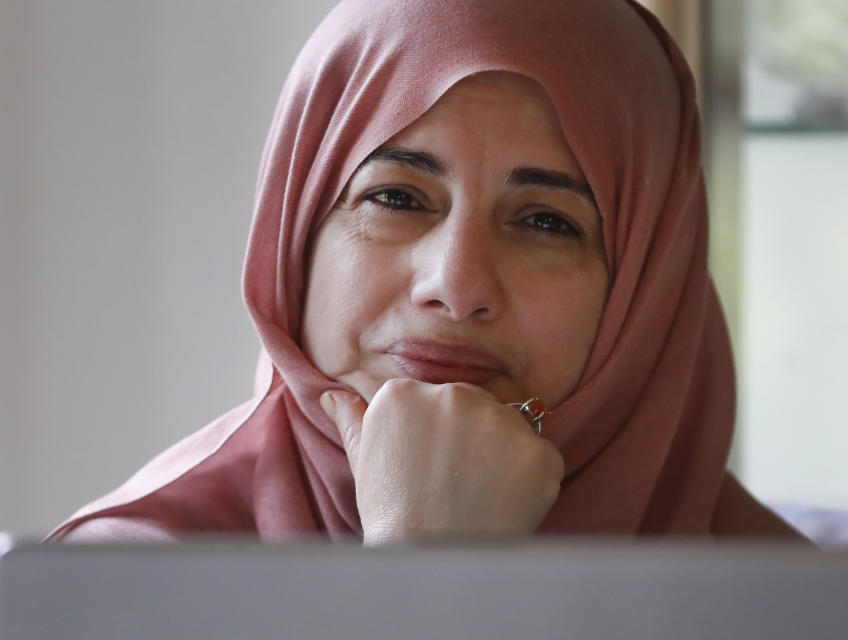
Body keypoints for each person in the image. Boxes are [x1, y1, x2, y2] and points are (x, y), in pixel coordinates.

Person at [49, 0, 805, 543]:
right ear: (296, 235)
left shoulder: (808, 613)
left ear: (648, 287)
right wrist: (430, 565)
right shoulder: (133, 585)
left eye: (547, 221)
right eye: (397, 197)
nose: (456, 283)